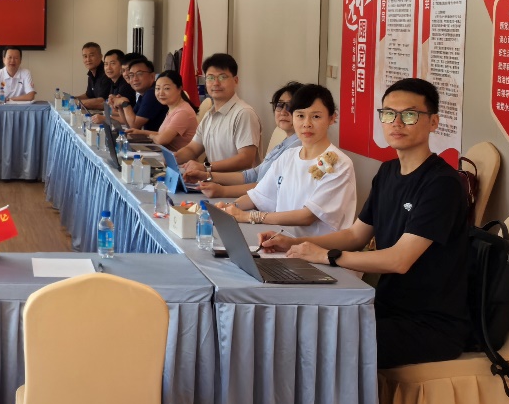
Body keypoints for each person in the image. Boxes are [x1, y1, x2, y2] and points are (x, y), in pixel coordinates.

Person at [261, 78, 471, 369]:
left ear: (433, 122)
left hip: (430, 323)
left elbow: (400, 260)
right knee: (299, 323)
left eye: (410, 115)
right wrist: (294, 243)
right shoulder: (388, 172)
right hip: (384, 306)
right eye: (388, 114)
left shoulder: (442, 184)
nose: (397, 123)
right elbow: (356, 235)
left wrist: (327, 256)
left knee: (322, 343)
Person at [216, 84, 356, 238]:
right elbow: (258, 196)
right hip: (280, 241)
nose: (306, 123)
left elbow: (308, 216)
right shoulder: (288, 156)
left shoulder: (340, 164)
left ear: (332, 118)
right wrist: (229, 208)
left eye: (316, 116)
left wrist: (250, 216)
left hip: (316, 249)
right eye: (300, 116)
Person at [197, 81, 302, 199]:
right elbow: (253, 174)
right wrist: (207, 175)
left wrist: (222, 191)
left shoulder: (298, 147)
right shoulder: (286, 142)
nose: (283, 112)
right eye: (279, 105)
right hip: (252, 198)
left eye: (290, 106)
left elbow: (268, 188)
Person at [176, 53, 261, 175]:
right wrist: (168, 159)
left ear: (235, 81)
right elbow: (192, 149)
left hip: (238, 185)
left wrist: (205, 167)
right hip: (213, 181)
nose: (215, 83)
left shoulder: (244, 113)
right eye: (210, 78)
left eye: (222, 77)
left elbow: (246, 159)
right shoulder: (209, 114)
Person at [124, 70, 198, 151]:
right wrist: (139, 132)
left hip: (178, 158)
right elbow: (162, 134)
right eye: (158, 88)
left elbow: (162, 140)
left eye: (166, 88)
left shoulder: (183, 112)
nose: (161, 93)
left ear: (179, 89)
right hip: (165, 154)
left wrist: (150, 136)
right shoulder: (173, 108)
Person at [110, 54, 164, 130]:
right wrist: (120, 106)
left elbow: (134, 125)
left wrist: (125, 102)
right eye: (131, 75)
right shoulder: (143, 94)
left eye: (139, 74)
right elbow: (128, 123)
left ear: (152, 76)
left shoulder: (153, 93)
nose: (135, 79)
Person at [78, 42, 110, 110]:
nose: (88, 60)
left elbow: (101, 101)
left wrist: (77, 102)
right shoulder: (91, 73)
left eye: (91, 55)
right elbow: (88, 95)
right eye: (85, 56)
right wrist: (72, 98)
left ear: (101, 56)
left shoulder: (107, 73)